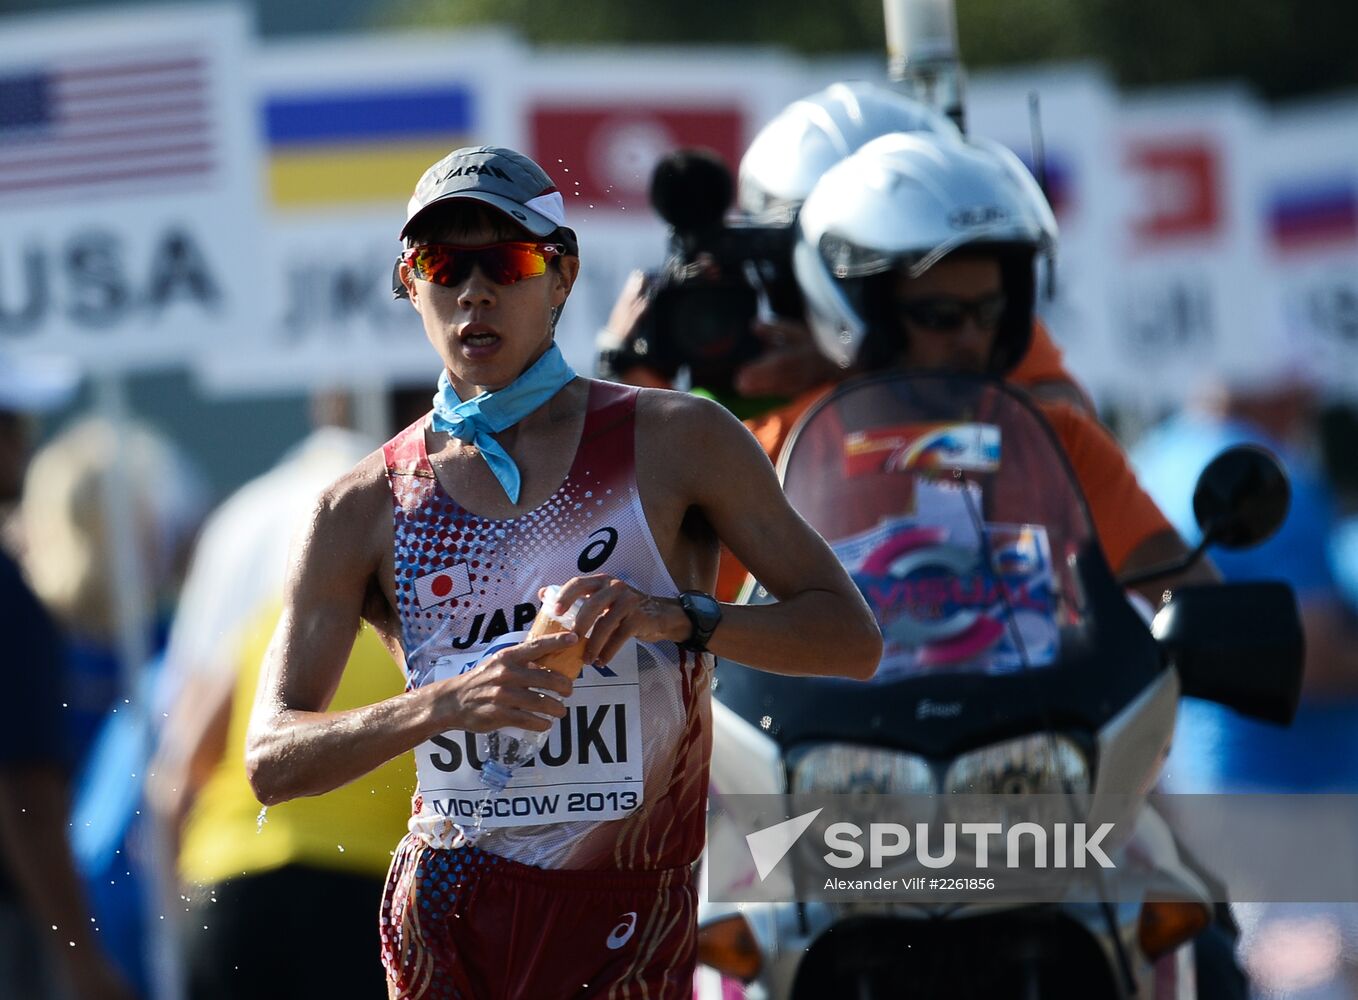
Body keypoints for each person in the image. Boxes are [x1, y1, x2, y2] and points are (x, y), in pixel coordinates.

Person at [243, 145, 882, 999]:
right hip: (448, 909)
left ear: (562, 275)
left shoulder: (678, 440)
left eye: (505, 261)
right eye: (442, 263)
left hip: (624, 905)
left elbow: (850, 638)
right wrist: (447, 702)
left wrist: (675, 616)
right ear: (410, 282)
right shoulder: (359, 507)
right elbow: (271, 760)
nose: (474, 291)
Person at [0, 356, 137, 1000]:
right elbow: (26, 792)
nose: (23, 446)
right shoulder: (7, 595)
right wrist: (82, 959)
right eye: (10, 428)